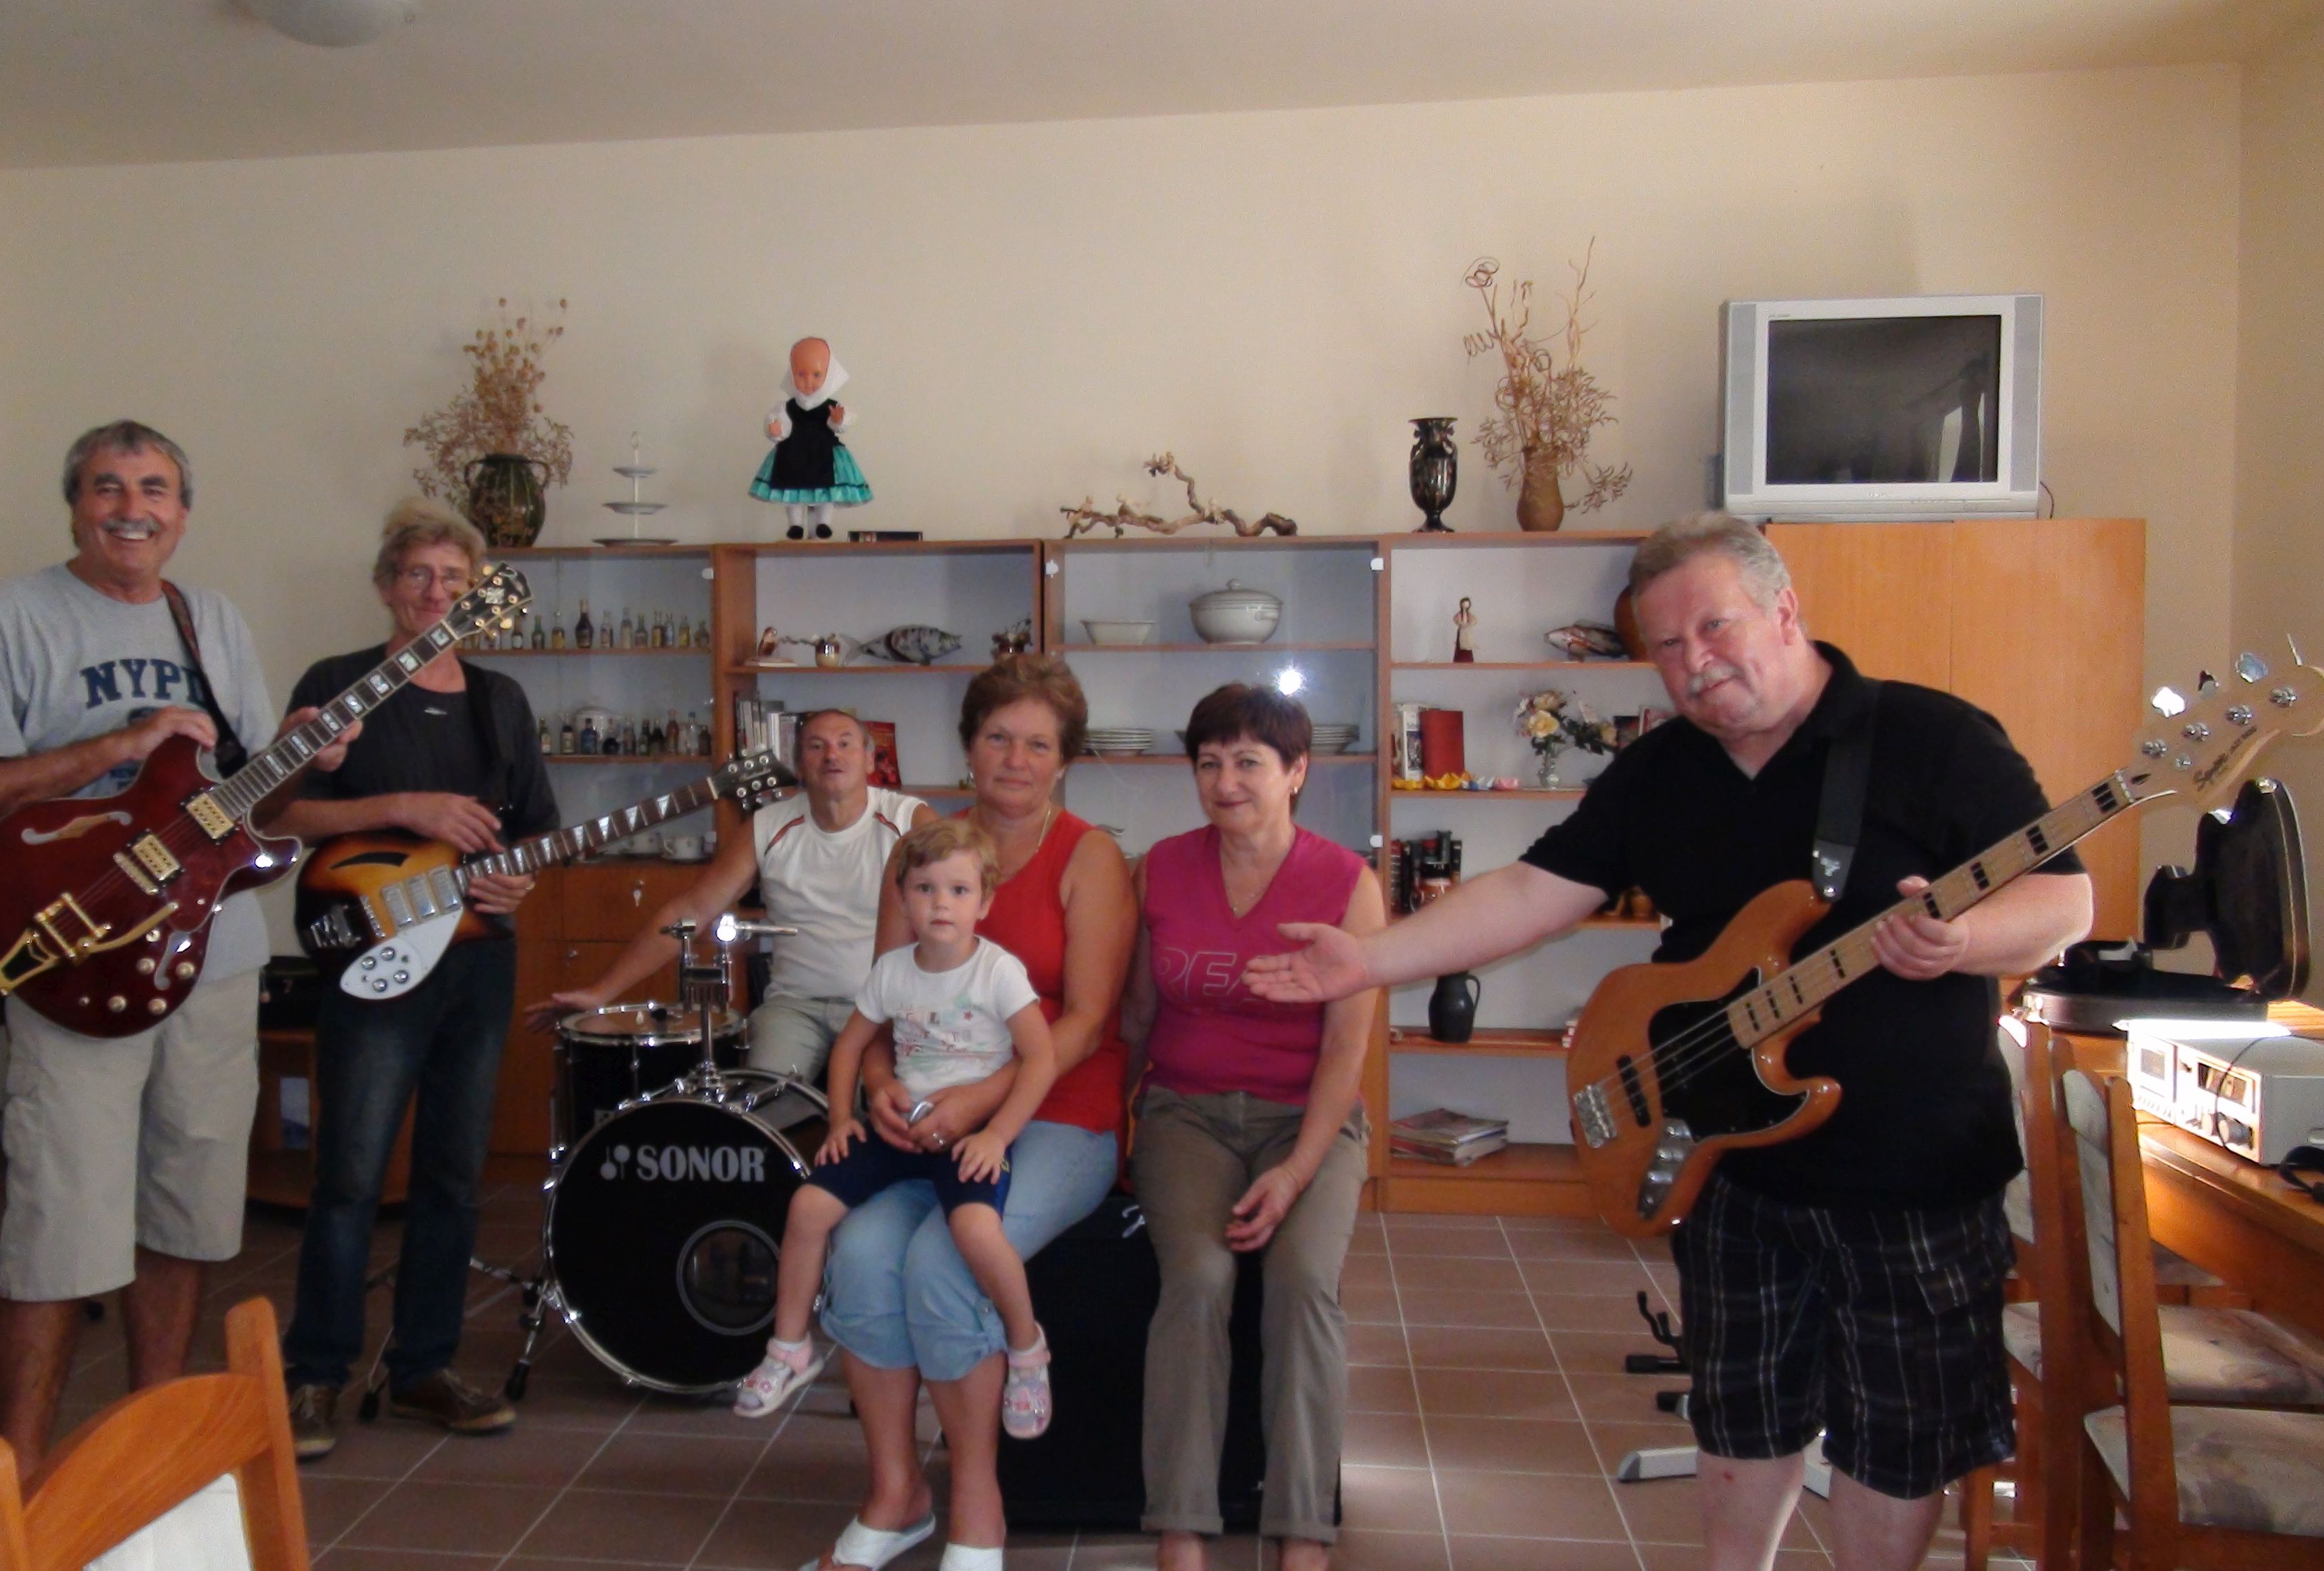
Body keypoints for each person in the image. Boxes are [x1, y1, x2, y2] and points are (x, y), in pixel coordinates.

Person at [1248, 513, 2093, 1571]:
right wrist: (1368, 961)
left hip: (1912, 1166)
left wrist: (1963, 941)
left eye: (1714, 627)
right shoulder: (1662, 770)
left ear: (1784, 611)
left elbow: (2064, 901)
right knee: (1740, 1416)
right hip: (1729, 1160)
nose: (1695, 662)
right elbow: (1532, 891)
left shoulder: (1934, 737)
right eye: (1667, 647)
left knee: (1899, 1436)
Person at [0, 420, 352, 1476]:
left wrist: (305, 755)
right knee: (58, 1235)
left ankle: (149, 1466)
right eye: (108, 487)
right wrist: (120, 745)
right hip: (79, 967)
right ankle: (20, 1494)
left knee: (187, 1217)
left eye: (154, 489)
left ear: (183, 513)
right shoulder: (13, 616)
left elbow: (251, 815)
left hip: (211, 964)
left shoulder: (212, 620)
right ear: (75, 505)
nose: (132, 508)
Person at [809, 655, 1137, 1571]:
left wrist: (975, 1103)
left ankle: (977, 1508)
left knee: (944, 1260)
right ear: (968, 746)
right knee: (860, 1251)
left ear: (1064, 759)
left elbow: (1087, 1020)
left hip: (1060, 1111)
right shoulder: (922, 852)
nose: (1015, 760)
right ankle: (896, 1495)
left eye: (1038, 744)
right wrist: (880, 1084)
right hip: (926, 1118)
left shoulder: (1090, 857)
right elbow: (883, 1002)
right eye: (998, 737)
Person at [268, 499, 558, 1459]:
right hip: (371, 958)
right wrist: (406, 806)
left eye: (455, 578)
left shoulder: (500, 700)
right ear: (387, 586)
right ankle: (314, 1374)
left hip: (477, 961)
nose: (437, 592)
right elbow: (275, 818)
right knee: (349, 1175)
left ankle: (424, 1368)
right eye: (419, 575)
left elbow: (531, 825)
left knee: (451, 1177)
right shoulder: (335, 685)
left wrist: (517, 877)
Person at [1125, 685, 1384, 1571]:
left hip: (1308, 1119)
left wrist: (1297, 1171)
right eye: (1208, 763)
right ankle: (1181, 1525)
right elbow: (1137, 1017)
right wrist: (1103, 1129)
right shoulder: (1160, 868)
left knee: (1304, 1284)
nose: (1225, 781)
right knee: (1198, 1280)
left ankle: (1301, 1530)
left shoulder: (1348, 884)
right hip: (1184, 1114)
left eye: (1248, 762)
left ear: (1296, 772)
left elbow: (1346, 1053)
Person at [738, 818, 1056, 1437]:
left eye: (959, 891)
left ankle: (1026, 1349)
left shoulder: (998, 972)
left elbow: (1040, 1058)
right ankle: (789, 1348)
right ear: (903, 900)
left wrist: (997, 1134)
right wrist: (839, 1119)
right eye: (925, 889)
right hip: (900, 1132)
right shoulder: (891, 971)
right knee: (807, 1208)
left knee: (976, 1231)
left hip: (968, 1136)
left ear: (985, 902)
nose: (942, 904)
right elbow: (850, 1047)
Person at [548, 708, 931, 1082]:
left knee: (882, 1106)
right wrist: (601, 992)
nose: (832, 755)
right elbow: (691, 910)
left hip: (884, 1007)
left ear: (869, 760)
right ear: (799, 764)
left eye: (845, 744)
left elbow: (953, 906)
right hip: (794, 1009)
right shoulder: (768, 826)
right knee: (762, 1099)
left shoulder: (910, 820)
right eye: (817, 746)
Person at [751, 336, 873, 540]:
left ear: (829, 374)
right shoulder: (787, 406)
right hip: (793, 452)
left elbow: (840, 423)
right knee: (792, 487)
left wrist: (839, 420)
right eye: (801, 374)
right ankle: (796, 525)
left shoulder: (831, 405)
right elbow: (780, 424)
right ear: (792, 374)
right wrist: (775, 430)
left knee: (827, 488)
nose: (808, 381)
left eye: (816, 374)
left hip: (823, 453)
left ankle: (823, 523)